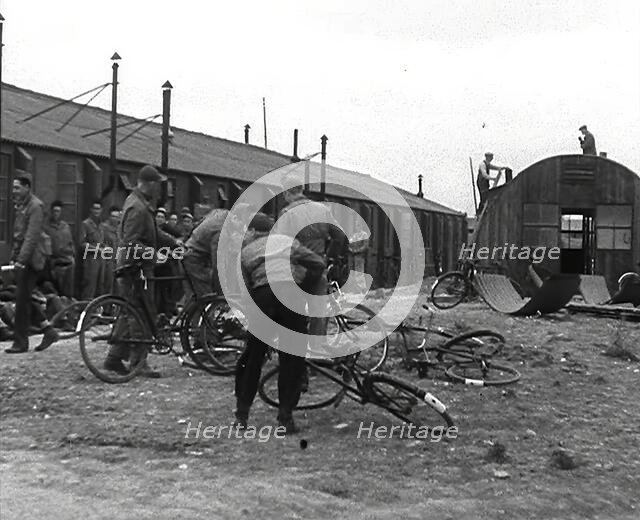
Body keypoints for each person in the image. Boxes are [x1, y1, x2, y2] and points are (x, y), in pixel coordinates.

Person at [235, 213, 326, 433]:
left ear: (255, 232)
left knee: (253, 356)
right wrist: (305, 284)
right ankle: (285, 417)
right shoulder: (287, 243)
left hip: (262, 297)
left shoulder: (246, 252)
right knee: (292, 357)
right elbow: (318, 262)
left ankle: (242, 415)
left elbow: (243, 287)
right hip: (289, 295)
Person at [103, 165, 179, 377]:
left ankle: (113, 358)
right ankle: (139, 362)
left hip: (136, 267)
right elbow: (130, 243)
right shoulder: (137, 208)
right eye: (158, 184)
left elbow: (154, 232)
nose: (160, 189)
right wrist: (155, 256)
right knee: (140, 313)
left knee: (131, 311)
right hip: (133, 269)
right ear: (150, 184)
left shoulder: (140, 203)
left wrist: (175, 243)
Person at [274, 172, 347, 347]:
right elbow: (340, 236)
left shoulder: (287, 213)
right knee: (318, 312)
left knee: (293, 311)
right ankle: (316, 353)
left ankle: (294, 352)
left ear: (286, 193)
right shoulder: (322, 209)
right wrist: (328, 257)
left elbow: (279, 243)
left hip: (295, 270)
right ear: (301, 190)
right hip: (318, 267)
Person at [5, 173, 59, 353]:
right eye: (13, 188)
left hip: (32, 259)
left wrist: (21, 260)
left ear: (27, 187)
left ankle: (20, 343)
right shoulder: (22, 206)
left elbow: (32, 236)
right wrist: (14, 257)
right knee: (24, 297)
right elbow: (19, 234)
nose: (14, 191)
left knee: (21, 300)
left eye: (17, 187)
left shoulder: (35, 206)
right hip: (24, 258)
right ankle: (48, 330)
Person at [45, 200, 75, 297]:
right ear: (51, 211)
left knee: (69, 289)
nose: (56, 214)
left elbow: (71, 243)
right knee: (57, 288)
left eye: (58, 211)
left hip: (68, 262)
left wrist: (72, 256)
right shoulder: (46, 227)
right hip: (54, 263)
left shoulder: (65, 226)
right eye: (54, 211)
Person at [80, 199, 105, 299]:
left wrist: (105, 248)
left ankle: (97, 312)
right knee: (90, 285)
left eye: (98, 209)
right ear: (91, 210)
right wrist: (96, 249)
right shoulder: (85, 224)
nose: (96, 211)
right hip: (90, 259)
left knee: (100, 286)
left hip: (101, 259)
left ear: (101, 210)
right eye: (94, 209)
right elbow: (82, 244)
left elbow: (102, 242)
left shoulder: (101, 226)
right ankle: (86, 310)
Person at [100, 206, 120, 295]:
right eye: (113, 216)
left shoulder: (120, 229)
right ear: (109, 217)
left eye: (117, 216)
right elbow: (102, 243)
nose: (115, 219)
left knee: (118, 287)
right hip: (108, 261)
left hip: (119, 261)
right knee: (108, 286)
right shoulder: (104, 228)